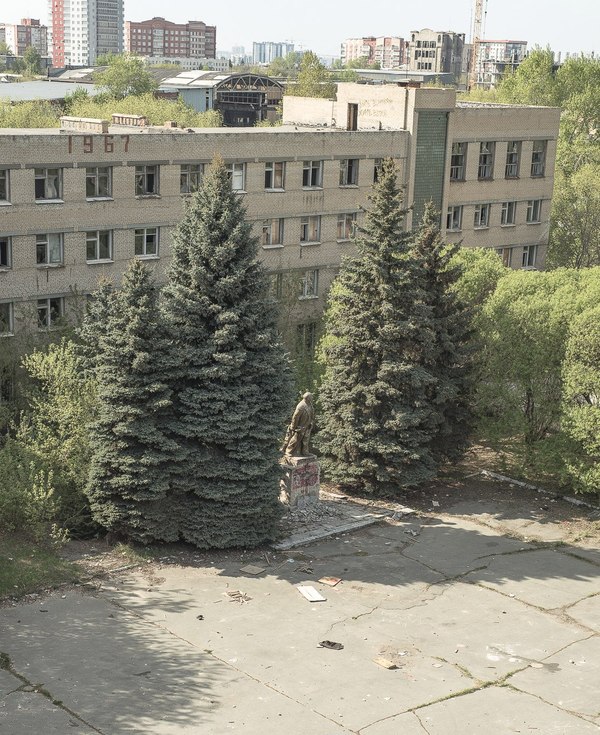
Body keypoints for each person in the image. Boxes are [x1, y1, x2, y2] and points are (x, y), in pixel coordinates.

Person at [282, 392, 315, 457]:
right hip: (300, 426)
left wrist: (311, 422)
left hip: (307, 425)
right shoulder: (301, 406)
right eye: (311, 397)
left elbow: (311, 413)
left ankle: (305, 452)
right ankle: (288, 451)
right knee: (296, 439)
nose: (312, 398)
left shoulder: (309, 404)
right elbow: (295, 417)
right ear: (307, 398)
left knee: (305, 439)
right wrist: (294, 427)